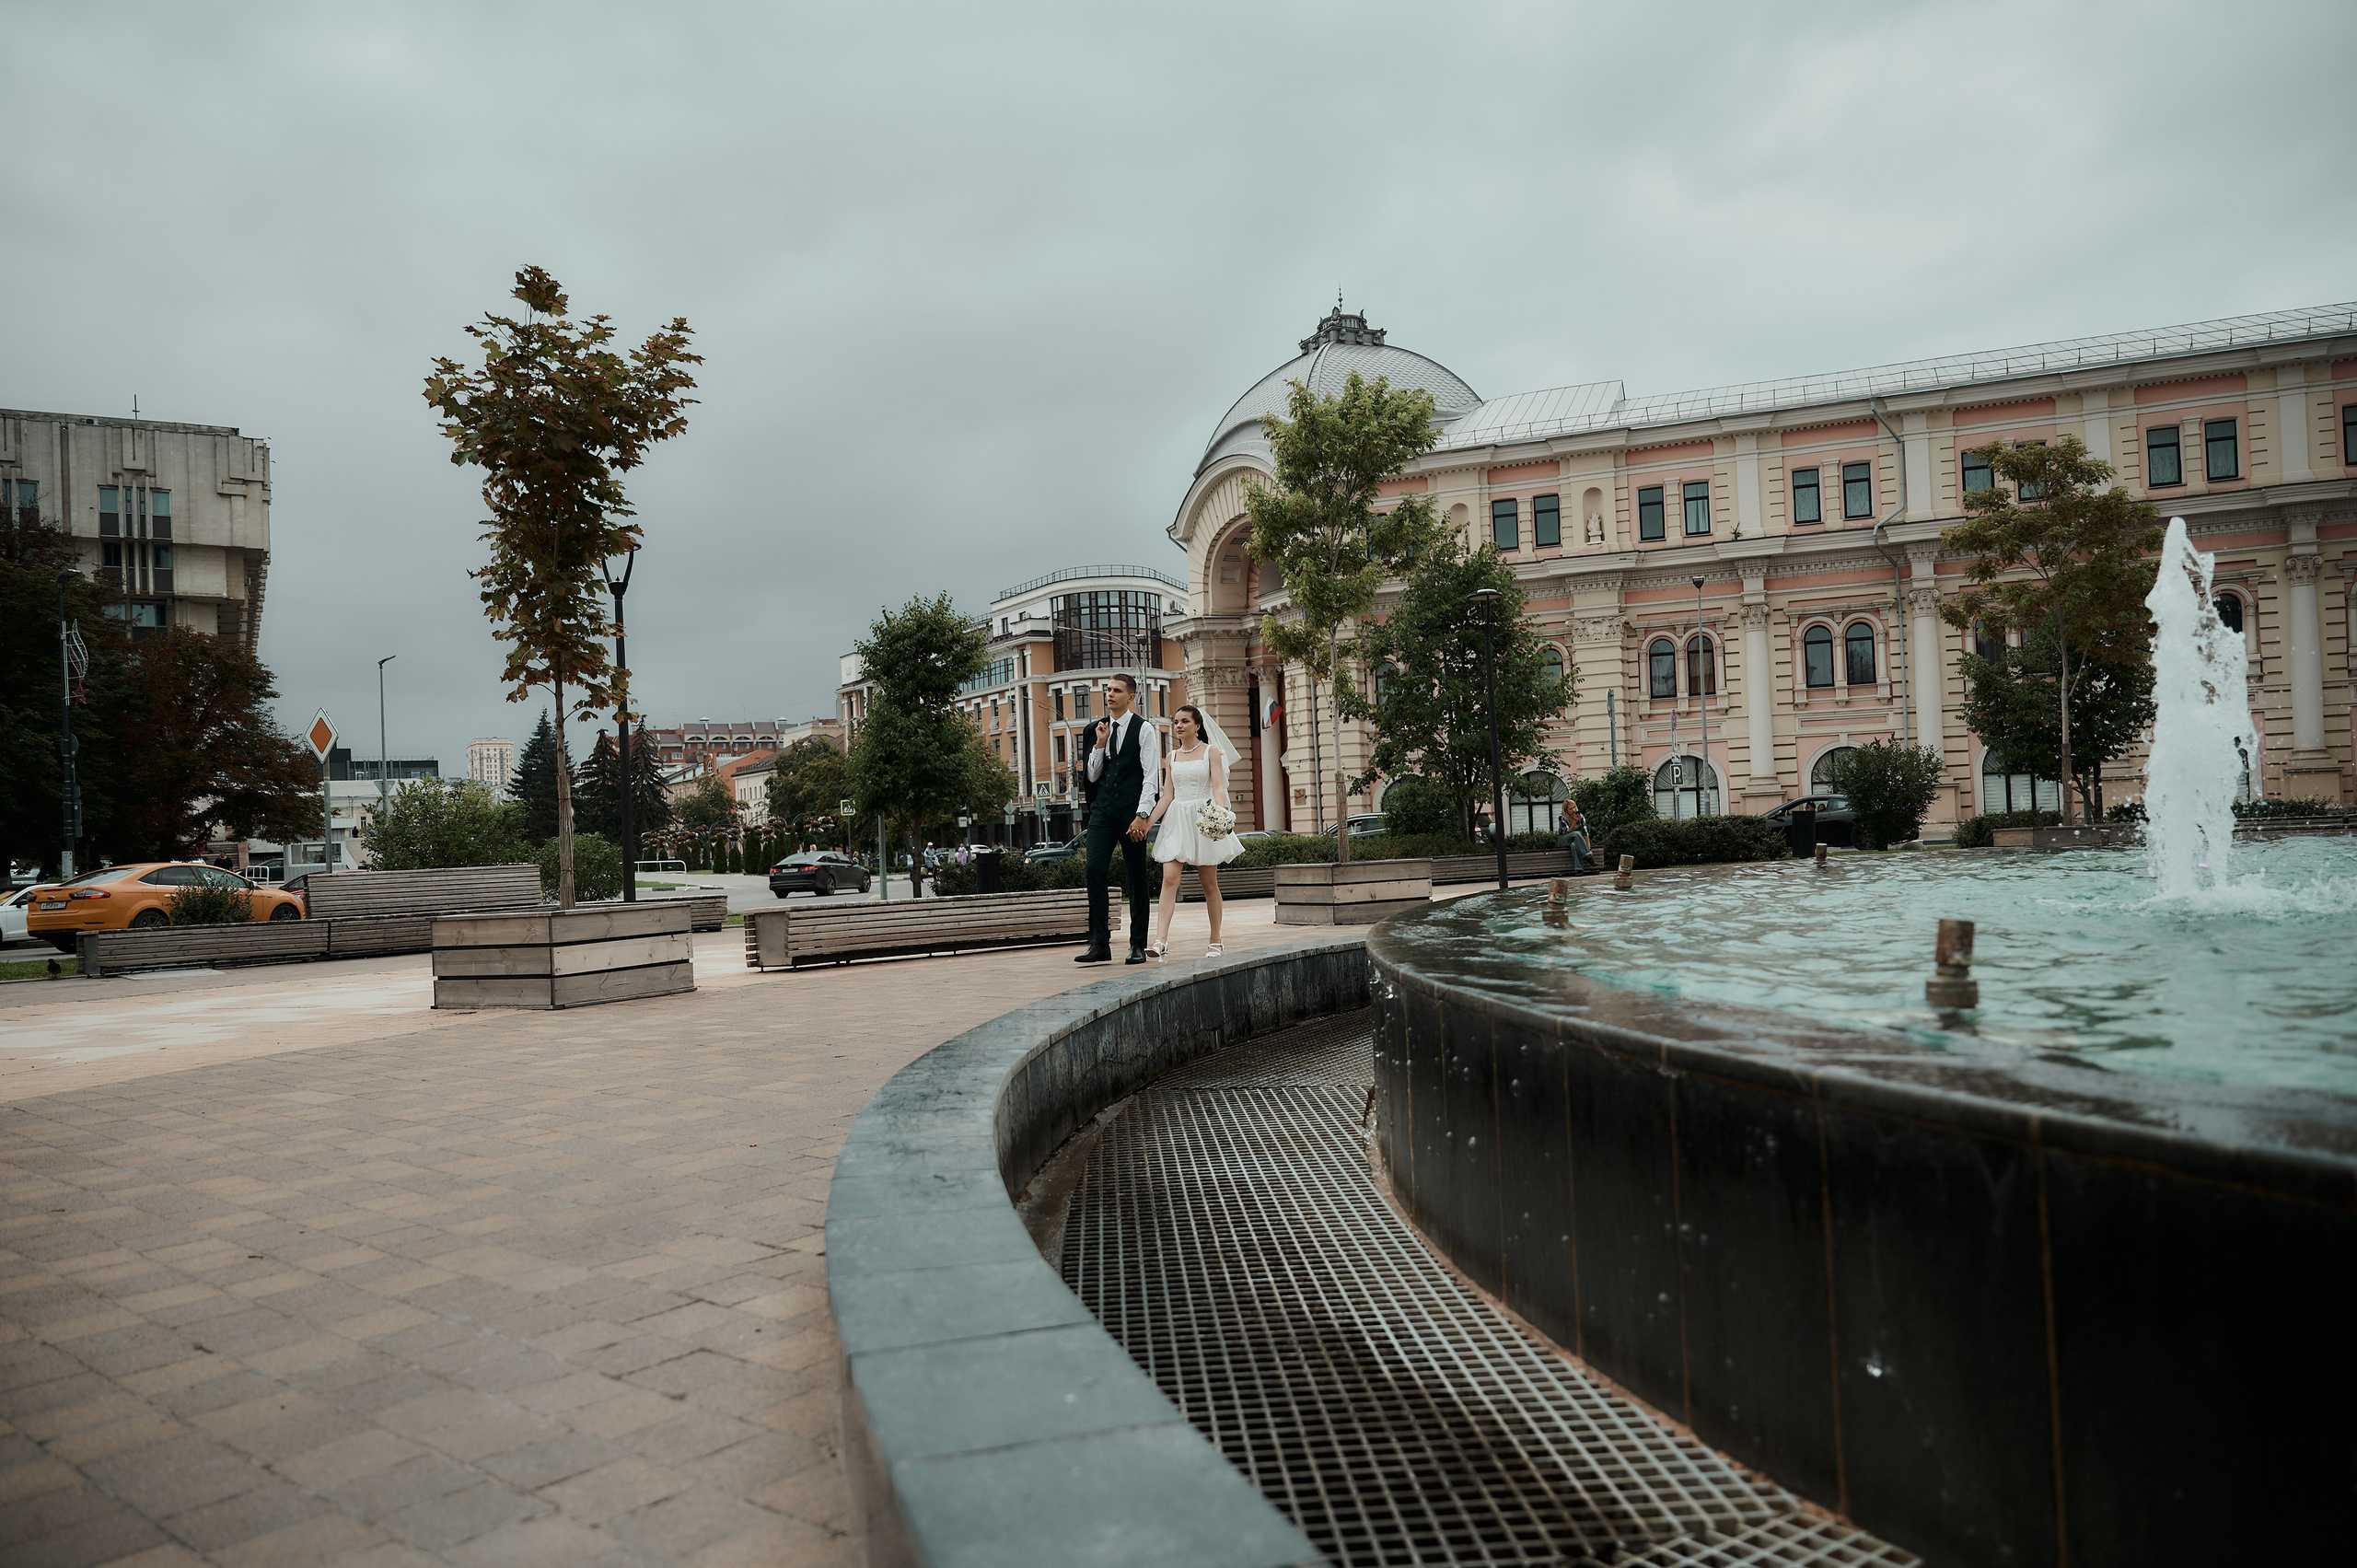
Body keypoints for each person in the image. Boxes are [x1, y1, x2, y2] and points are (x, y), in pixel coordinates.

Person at [1142, 704, 1245, 960]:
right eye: (1176, 721)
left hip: (1203, 817)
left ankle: (1216, 940)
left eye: (1184, 721)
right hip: (1177, 819)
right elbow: (1167, 795)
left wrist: (1220, 814)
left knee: (1209, 883)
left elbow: (1218, 788)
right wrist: (1147, 823)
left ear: (1197, 726)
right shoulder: (1171, 757)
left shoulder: (1212, 752)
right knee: (1169, 879)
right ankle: (1160, 940)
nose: (1178, 726)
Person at [1075, 673, 1158, 965]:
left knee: (1136, 876)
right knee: (1094, 868)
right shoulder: (1096, 729)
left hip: (1131, 813)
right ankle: (1099, 943)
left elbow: (1151, 777)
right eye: (1108, 690)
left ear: (1131, 696)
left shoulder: (1144, 730)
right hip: (1103, 811)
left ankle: (1137, 944)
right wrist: (1100, 744)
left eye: (1117, 690)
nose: (1110, 694)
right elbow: (1092, 776)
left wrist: (1142, 815)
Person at [1558, 798, 1594, 874]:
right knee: (1576, 833)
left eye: (1574, 807)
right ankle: (1588, 856)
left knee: (1574, 845)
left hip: (1575, 840)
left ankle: (1579, 869)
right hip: (1563, 839)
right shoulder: (1562, 818)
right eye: (1571, 809)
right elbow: (1568, 832)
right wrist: (1574, 821)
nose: (1574, 810)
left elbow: (1585, 833)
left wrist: (1589, 848)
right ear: (1566, 810)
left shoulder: (1580, 817)